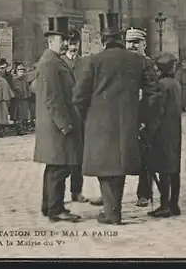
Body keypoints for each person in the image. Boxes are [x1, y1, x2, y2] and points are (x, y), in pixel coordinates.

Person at [73, 13, 161, 225]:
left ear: (103, 39)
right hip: (127, 122)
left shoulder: (92, 62)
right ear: (122, 38)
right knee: (118, 165)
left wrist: (87, 119)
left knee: (106, 167)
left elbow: (78, 97)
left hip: (99, 124)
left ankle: (112, 213)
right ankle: (113, 210)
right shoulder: (138, 61)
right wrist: (141, 117)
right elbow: (154, 93)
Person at [34, 16, 83, 223]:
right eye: (62, 39)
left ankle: (49, 206)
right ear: (51, 40)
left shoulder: (53, 61)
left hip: (54, 125)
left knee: (54, 167)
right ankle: (56, 209)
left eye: (66, 39)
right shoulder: (50, 63)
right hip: (57, 126)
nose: (65, 43)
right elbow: (52, 98)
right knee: (60, 168)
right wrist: (64, 125)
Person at [125, 26, 160, 208]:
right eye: (129, 42)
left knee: (146, 157)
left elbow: (153, 94)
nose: (131, 45)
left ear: (144, 44)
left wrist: (144, 120)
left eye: (135, 42)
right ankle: (111, 192)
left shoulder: (147, 64)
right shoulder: (123, 63)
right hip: (124, 117)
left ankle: (144, 193)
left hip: (142, 119)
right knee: (117, 155)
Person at [144, 52, 182, 218]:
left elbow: (156, 113)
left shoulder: (160, 86)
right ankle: (174, 204)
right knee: (174, 170)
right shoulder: (175, 84)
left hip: (162, 133)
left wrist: (147, 132)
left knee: (163, 171)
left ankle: (164, 205)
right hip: (174, 132)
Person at [61, 28, 89, 204]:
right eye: (71, 44)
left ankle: (76, 190)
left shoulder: (84, 63)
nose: (73, 47)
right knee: (62, 155)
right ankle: (58, 193)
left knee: (78, 156)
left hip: (80, 115)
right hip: (65, 113)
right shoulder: (60, 62)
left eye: (76, 44)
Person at [12, 65, 33, 135]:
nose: (21, 73)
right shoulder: (14, 80)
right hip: (18, 100)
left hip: (25, 99)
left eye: (22, 72)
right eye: (20, 72)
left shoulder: (24, 80)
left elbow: (27, 89)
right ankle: (19, 129)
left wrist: (28, 95)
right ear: (17, 72)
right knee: (18, 115)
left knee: (24, 115)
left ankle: (23, 128)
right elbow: (15, 89)